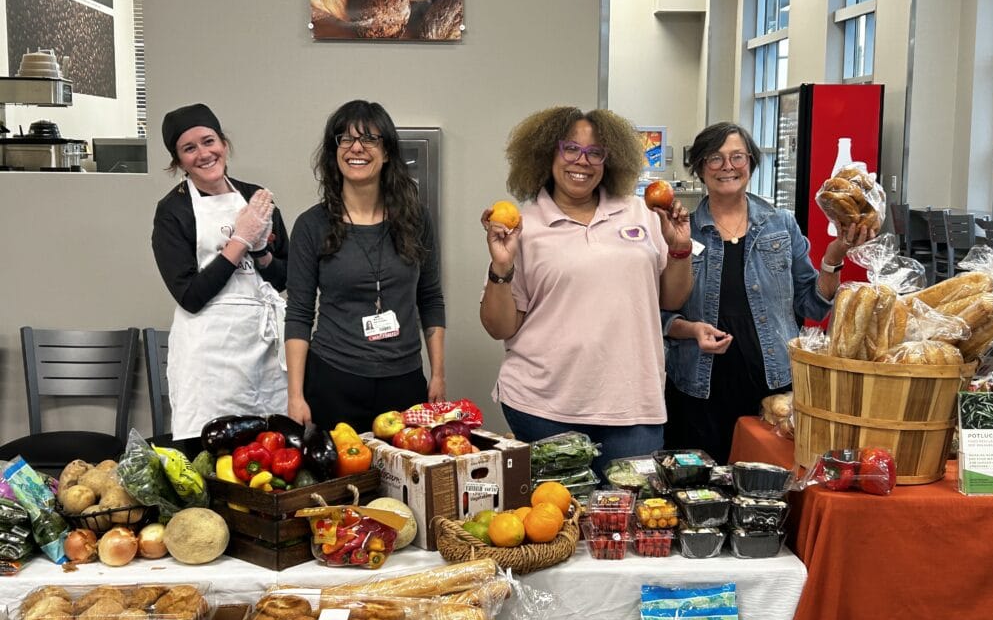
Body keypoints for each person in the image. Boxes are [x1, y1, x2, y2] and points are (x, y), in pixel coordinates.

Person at [480, 106, 693, 465]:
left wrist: (679, 248)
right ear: (548, 153)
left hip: (633, 406)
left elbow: (671, 298)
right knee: (556, 517)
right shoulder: (523, 226)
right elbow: (500, 326)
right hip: (544, 406)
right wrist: (501, 266)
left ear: (610, 160)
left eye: (595, 152)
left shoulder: (641, 213)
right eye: (570, 149)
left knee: (625, 517)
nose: (583, 161)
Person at [662, 122, 875, 463]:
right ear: (700, 167)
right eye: (715, 159)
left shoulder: (781, 224)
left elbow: (813, 304)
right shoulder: (681, 231)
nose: (727, 167)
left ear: (751, 163)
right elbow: (661, 313)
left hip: (773, 389)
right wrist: (691, 329)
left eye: (737, 157)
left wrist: (834, 256)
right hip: (699, 387)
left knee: (769, 495)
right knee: (700, 493)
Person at [285, 100, 446, 434]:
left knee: (405, 482)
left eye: (370, 139)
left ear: (387, 152)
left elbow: (430, 299)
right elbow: (299, 314)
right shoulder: (311, 225)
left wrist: (438, 375)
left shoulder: (417, 220)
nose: (356, 148)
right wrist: (295, 395)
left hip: (404, 380)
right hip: (333, 379)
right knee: (340, 483)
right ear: (335, 151)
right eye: (345, 139)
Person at [152, 103, 289, 450]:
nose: (203, 153)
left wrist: (261, 251)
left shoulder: (256, 199)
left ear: (224, 143)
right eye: (189, 148)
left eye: (208, 141)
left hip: (263, 351)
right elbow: (191, 297)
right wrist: (240, 240)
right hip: (209, 358)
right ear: (178, 160)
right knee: (213, 460)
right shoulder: (173, 211)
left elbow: (284, 278)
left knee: (268, 454)